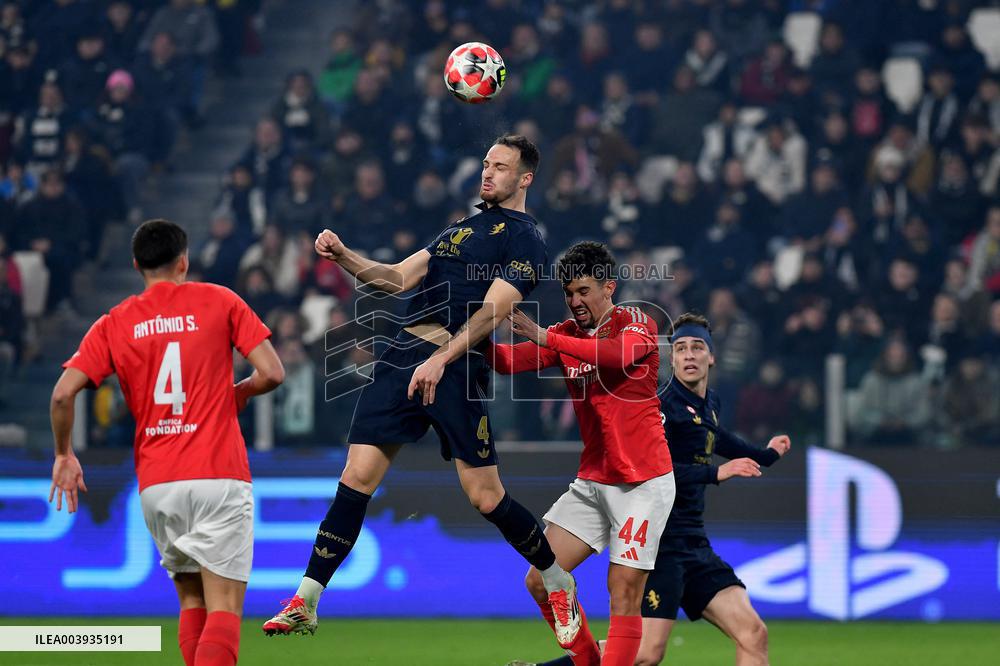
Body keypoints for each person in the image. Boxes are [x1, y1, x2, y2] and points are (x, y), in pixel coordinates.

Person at [262, 135, 582, 646]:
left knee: (485, 496)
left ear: (525, 179)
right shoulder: (458, 229)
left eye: (500, 168)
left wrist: (442, 357)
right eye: (485, 164)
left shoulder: (525, 237)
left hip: (454, 366)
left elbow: (495, 310)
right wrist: (344, 255)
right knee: (356, 476)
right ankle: (307, 599)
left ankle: (557, 577)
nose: (487, 173)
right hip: (401, 358)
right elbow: (393, 278)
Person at [48, 219, 285, 666]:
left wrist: (63, 453)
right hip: (217, 472)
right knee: (225, 608)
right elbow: (272, 372)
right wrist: (241, 393)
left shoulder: (114, 322)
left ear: (137, 265)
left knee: (192, 602)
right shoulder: (219, 300)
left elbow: (62, 393)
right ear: (184, 261)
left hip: (157, 485)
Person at [512, 312, 790, 666]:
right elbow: (657, 470)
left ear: (712, 357)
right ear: (671, 357)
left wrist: (766, 455)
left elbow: (716, 438)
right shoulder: (661, 405)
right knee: (644, 653)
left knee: (754, 634)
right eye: (681, 348)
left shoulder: (709, 404)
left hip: (695, 545)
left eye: (698, 347)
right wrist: (715, 474)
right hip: (658, 543)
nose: (689, 355)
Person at [489, 242, 675, 666]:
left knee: (623, 590)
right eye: (569, 293)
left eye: (584, 291)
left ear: (609, 287)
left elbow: (613, 357)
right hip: (593, 481)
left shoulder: (637, 325)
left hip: (643, 483)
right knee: (540, 581)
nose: (575, 301)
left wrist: (544, 335)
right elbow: (505, 362)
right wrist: (469, 333)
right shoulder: (567, 335)